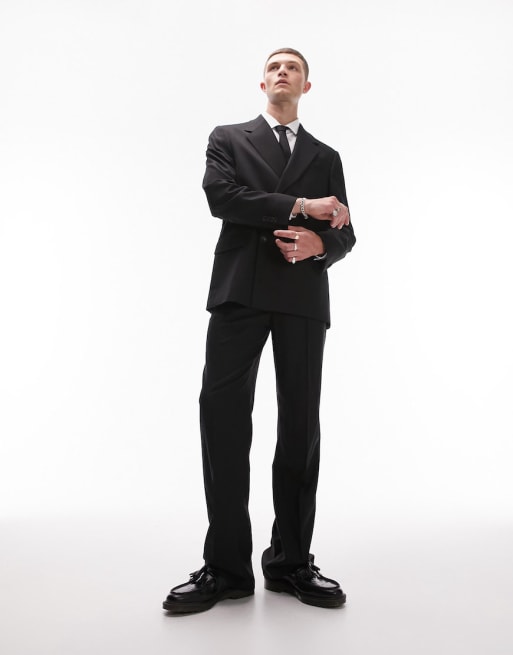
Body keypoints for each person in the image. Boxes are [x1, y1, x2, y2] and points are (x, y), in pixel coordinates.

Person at [163, 47, 356, 613]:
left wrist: (322, 244)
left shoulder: (326, 155)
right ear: (262, 82)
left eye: (292, 68)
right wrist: (301, 206)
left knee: (300, 425)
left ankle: (291, 562)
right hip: (239, 292)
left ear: (306, 86)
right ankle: (226, 567)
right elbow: (223, 198)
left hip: (302, 297)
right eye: (274, 67)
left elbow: (346, 230)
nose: (282, 73)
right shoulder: (228, 138)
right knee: (222, 420)